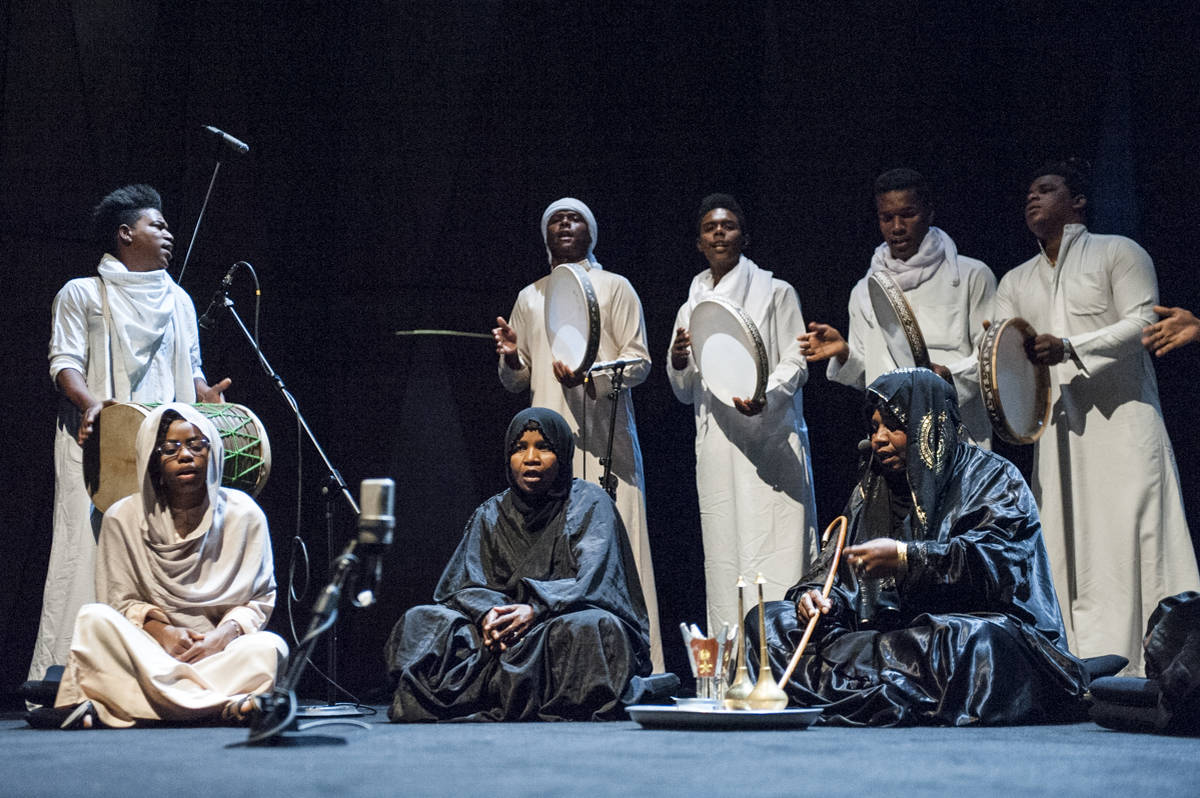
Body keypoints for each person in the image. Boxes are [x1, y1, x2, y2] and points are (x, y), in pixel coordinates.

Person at [751, 369, 1089, 726]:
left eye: (894, 426)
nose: (879, 439)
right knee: (769, 621)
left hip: (964, 629)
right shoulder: (872, 487)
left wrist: (905, 558)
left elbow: (998, 563)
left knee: (973, 641)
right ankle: (878, 685)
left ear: (930, 426)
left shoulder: (994, 477)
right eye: (874, 427)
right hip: (894, 638)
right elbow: (833, 568)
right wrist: (814, 598)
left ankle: (852, 686)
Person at [993, 159, 1199, 675]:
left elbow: (1141, 324)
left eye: (1046, 189)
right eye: (1029, 192)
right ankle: (1078, 668)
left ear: (1078, 201)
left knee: (1136, 536)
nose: (1032, 198)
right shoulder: (1015, 281)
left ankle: (1159, 667)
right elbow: (997, 355)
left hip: (1125, 425)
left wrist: (1068, 347)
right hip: (1059, 434)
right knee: (1067, 550)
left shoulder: (1119, 252)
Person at [29, 185, 232, 688]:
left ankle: (161, 677)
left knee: (160, 551)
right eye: (155, 225)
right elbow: (64, 362)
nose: (168, 233)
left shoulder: (179, 300)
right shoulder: (81, 293)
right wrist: (90, 404)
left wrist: (205, 395)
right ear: (125, 234)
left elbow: (192, 369)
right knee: (88, 553)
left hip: (164, 448)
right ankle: (71, 678)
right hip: (99, 441)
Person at [385, 407, 669, 722]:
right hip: (500, 631)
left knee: (594, 628)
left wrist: (534, 609)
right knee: (420, 621)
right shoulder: (491, 512)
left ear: (562, 454)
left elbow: (594, 579)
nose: (530, 458)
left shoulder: (588, 502)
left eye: (543, 447)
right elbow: (462, 585)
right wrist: (491, 615)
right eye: (520, 448)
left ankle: (502, 688)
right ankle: (508, 686)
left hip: (557, 621)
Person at [492, 197, 662, 671]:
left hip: (607, 439)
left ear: (591, 231)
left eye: (575, 219)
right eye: (556, 220)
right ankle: (557, 666)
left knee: (619, 543)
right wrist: (511, 357)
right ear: (545, 235)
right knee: (554, 547)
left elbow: (640, 362)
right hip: (547, 447)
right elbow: (518, 380)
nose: (565, 225)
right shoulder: (530, 296)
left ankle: (634, 662)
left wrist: (591, 378)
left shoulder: (615, 287)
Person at [43, 404, 285, 728]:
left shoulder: (245, 514)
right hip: (151, 652)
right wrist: (164, 633)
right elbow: (119, 602)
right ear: (152, 458)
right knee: (94, 619)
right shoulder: (121, 517)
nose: (185, 456)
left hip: (219, 653)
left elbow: (259, 600)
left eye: (196, 445)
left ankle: (132, 703)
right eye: (170, 449)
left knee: (269, 648)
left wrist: (220, 638)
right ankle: (219, 704)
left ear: (213, 451)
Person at [667, 193, 818, 631]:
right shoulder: (690, 306)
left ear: (744, 237)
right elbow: (684, 390)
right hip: (718, 444)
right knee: (725, 552)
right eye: (710, 227)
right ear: (699, 242)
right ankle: (733, 657)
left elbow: (797, 360)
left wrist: (764, 394)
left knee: (776, 546)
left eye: (728, 225)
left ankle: (785, 648)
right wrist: (678, 360)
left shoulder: (776, 291)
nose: (719, 233)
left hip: (771, 438)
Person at [800, 169, 997, 446]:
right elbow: (868, 375)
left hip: (956, 431)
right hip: (892, 439)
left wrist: (947, 377)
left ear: (929, 212)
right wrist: (844, 353)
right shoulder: (864, 290)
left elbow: (990, 361)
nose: (897, 227)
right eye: (887, 218)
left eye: (907, 214)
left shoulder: (971, 276)